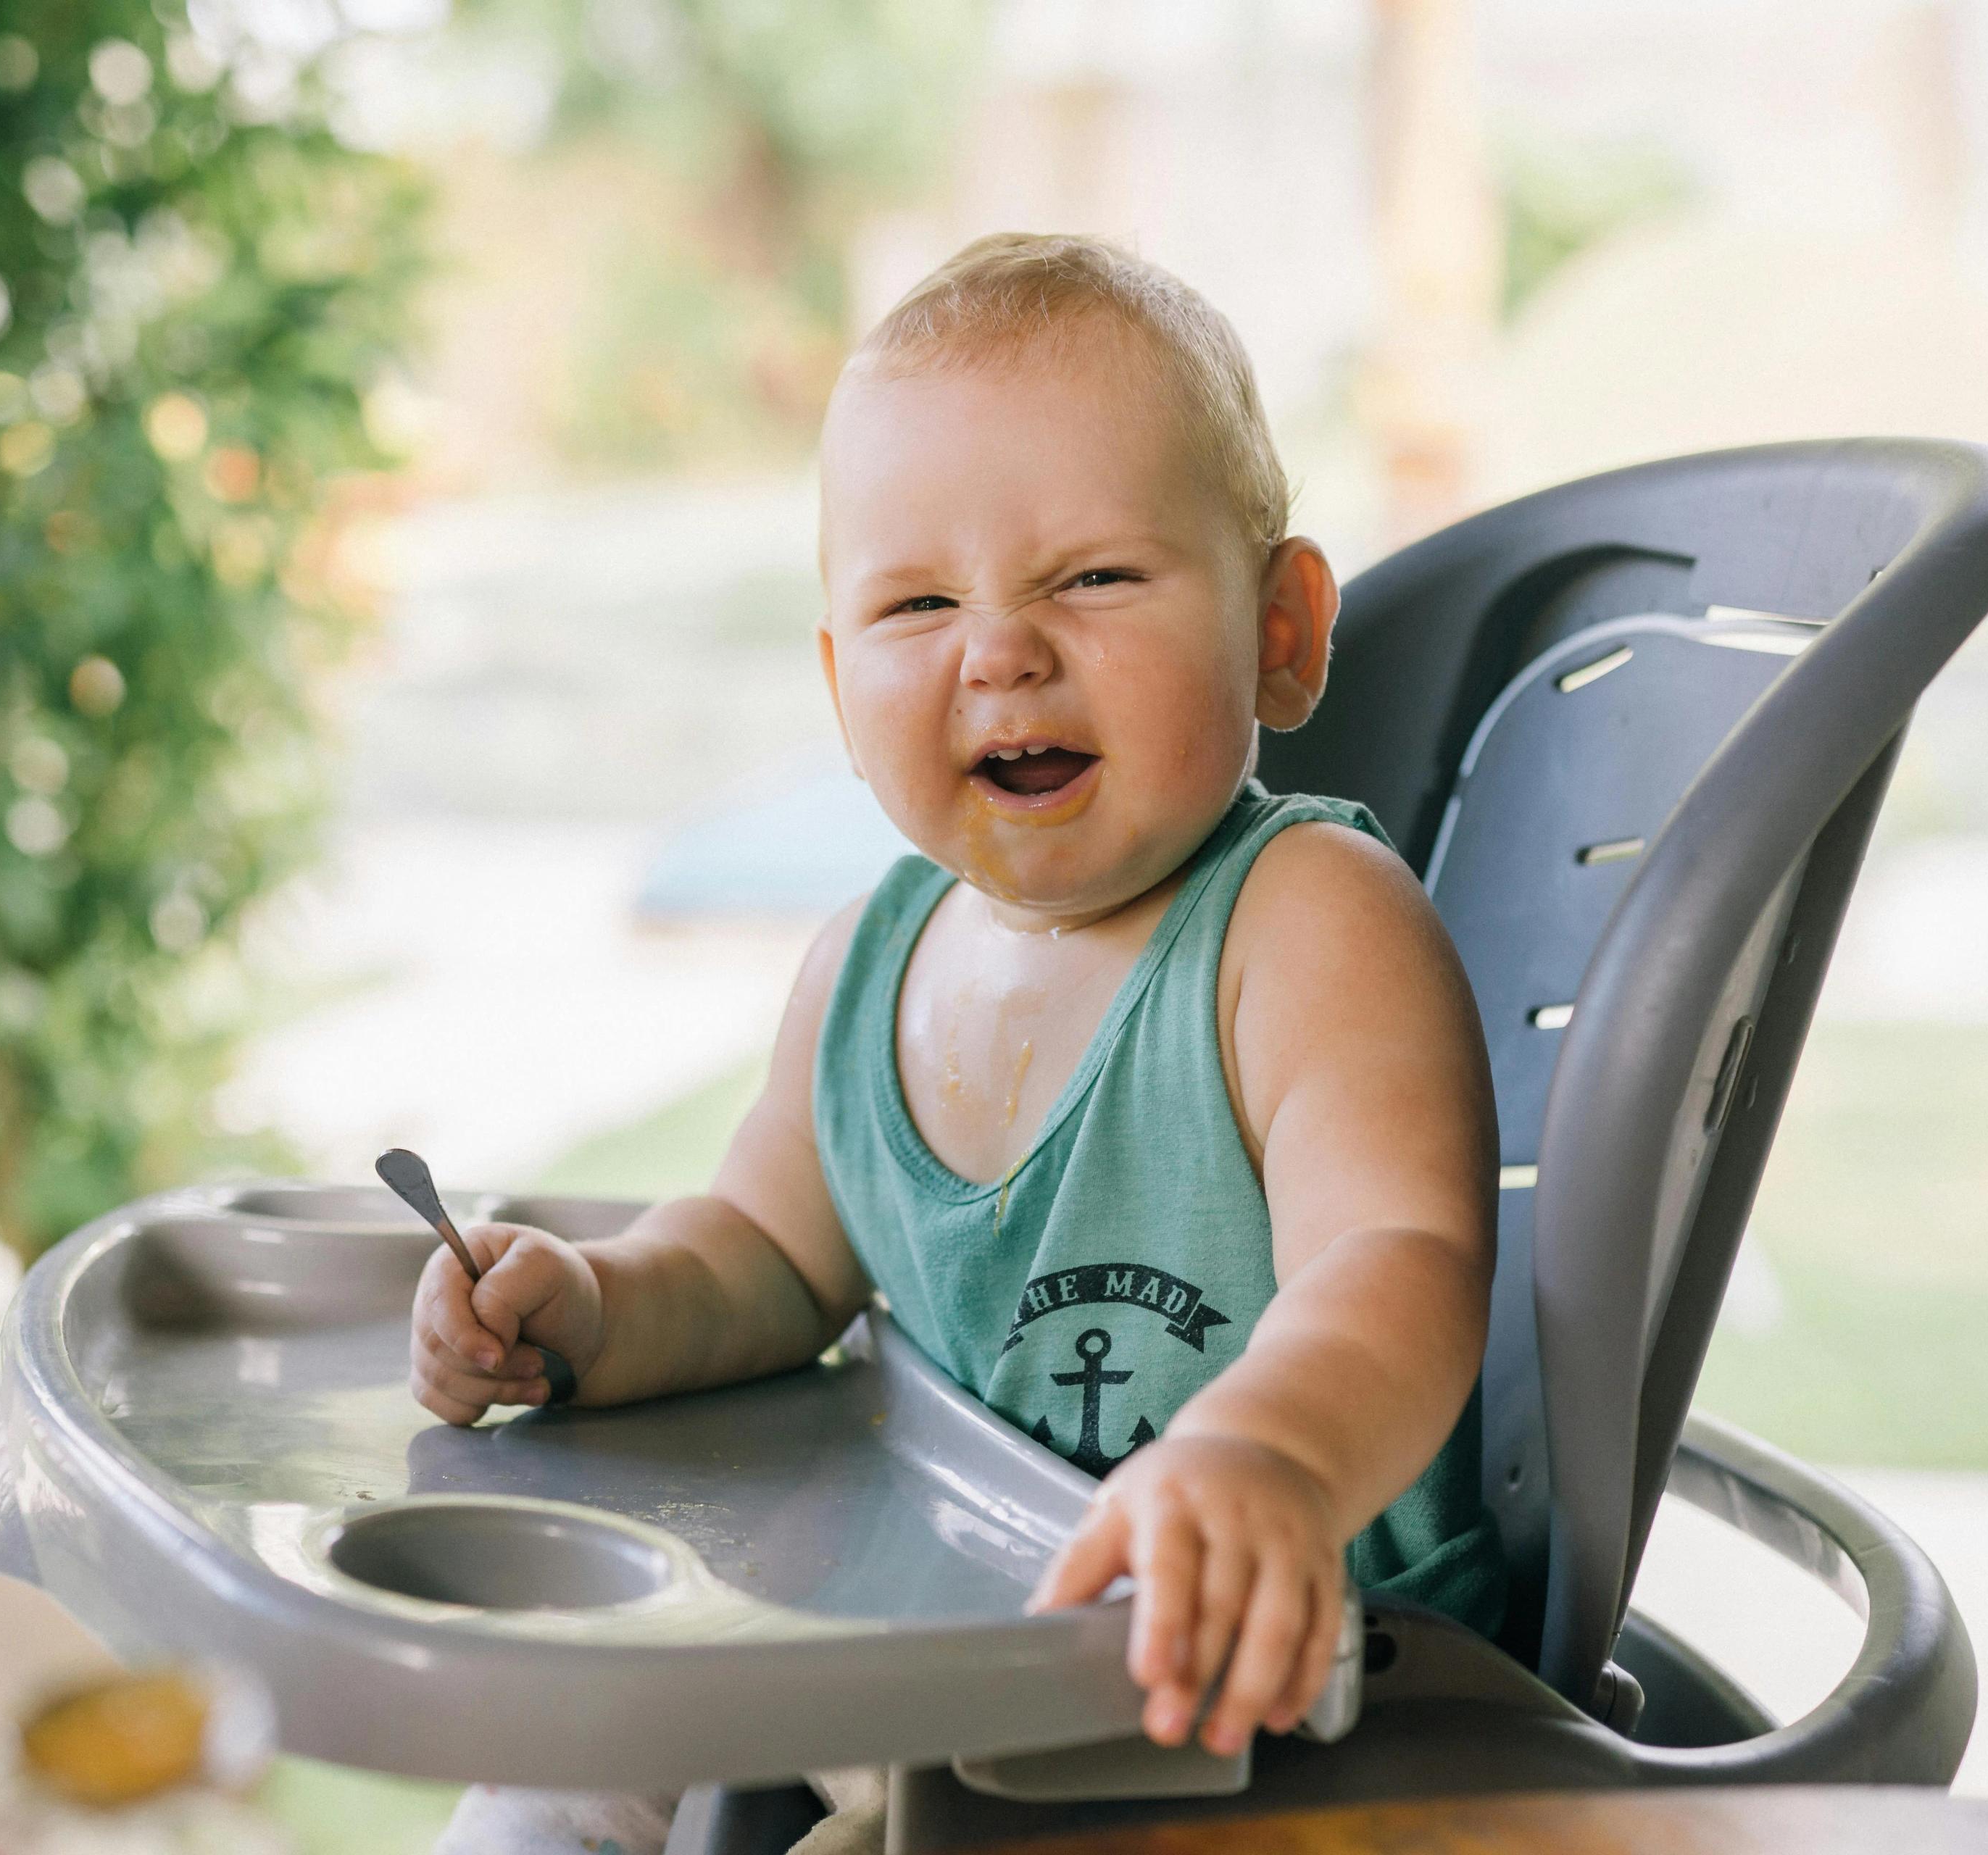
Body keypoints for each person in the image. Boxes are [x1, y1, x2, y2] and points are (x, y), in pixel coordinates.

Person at [413, 232, 1503, 1854]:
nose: (1001, 649)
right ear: (843, 682)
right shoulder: (867, 963)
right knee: (554, 1760)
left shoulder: (1305, 926)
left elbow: (1403, 1256)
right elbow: (762, 1261)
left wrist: (1269, 1454)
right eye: (920, 602)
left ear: (1281, 628)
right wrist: (590, 1308)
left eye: (1093, 578)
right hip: (938, 1651)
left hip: (1264, 1707)